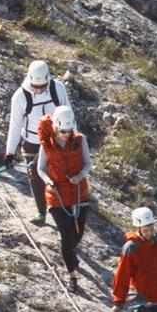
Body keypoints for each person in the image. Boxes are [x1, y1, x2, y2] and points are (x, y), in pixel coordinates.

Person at [5, 56, 77, 214]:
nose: (39, 90)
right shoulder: (20, 97)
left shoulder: (57, 89)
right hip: (32, 142)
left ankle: (67, 207)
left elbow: (68, 113)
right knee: (35, 176)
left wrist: (74, 137)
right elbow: (15, 125)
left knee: (61, 174)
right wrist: (10, 152)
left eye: (42, 86)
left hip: (56, 141)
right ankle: (41, 212)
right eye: (35, 86)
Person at [36, 101, 93, 284]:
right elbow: (41, 169)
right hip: (57, 196)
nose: (67, 135)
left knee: (78, 234)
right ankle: (72, 274)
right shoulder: (46, 146)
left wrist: (80, 176)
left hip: (78, 192)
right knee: (67, 235)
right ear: (55, 127)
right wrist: (49, 181)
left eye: (69, 131)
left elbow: (87, 163)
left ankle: (70, 252)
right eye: (63, 132)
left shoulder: (80, 140)